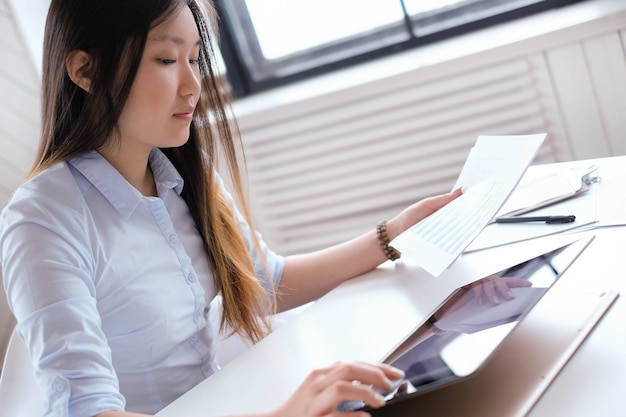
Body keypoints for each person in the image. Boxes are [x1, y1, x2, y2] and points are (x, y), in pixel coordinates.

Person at [0, 1, 462, 416]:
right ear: (86, 70)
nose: (193, 85)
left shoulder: (179, 173)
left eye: (195, 59)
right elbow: (88, 412)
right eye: (166, 59)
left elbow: (264, 282)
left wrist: (394, 235)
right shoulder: (42, 220)